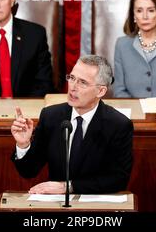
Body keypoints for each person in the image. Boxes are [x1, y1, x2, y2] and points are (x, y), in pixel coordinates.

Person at [11, 55, 133, 194]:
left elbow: (118, 179)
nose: (73, 87)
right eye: (72, 78)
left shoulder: (118, 125)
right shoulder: (51, 116)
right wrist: (23, 145)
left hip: (96, 205)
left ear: (101, 91)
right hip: (57, 205)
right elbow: (29, 171)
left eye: (83, 82)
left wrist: (68, 187)